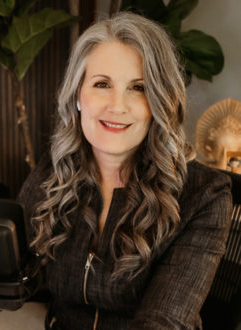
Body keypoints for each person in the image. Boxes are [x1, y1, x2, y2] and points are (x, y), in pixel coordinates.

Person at [18, 12, 233, 330]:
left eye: (138, 87)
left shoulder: (204, 196)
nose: (117, 106)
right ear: (79, 95)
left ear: (161, 102)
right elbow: (18, 273)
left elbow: (165, 320)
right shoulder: (54, 175)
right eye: (102, 84)